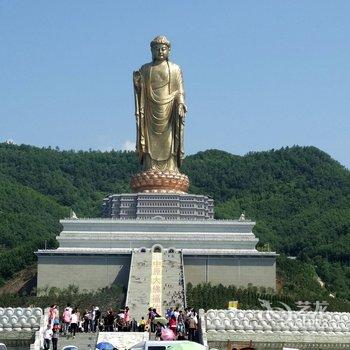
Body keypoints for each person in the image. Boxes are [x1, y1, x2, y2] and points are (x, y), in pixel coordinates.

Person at [133, 35, 187, 173]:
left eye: (163, 49)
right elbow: (141, 91)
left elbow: (180, 91)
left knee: (170, 138)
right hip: (150, 110)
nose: (160, 52)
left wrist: (180, 104)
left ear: (169, 50)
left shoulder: (175, 69)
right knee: (150, 139)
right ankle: (150, 167)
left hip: (170, 111)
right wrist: (138, 86)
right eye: (157, 49)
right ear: (152, 51)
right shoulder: (145, 69)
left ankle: (171, 167)